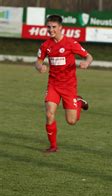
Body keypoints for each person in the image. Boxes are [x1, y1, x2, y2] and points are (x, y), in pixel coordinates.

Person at [35, 15, 93, 153]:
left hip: (69, 86)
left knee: (71, 121)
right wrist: (40, 67)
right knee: (49, 114)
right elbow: (38, 61)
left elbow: (89, 56)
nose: (51, 30)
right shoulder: (45, 45)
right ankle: (53, 146)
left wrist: (86, 63)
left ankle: (78, 101)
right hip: (53, 85)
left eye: (54, 27)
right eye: (48, 27)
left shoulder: (70, 43)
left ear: (61, 27)